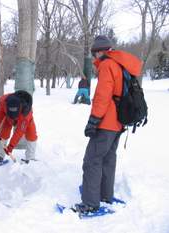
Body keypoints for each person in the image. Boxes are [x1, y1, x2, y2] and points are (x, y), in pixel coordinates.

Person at [74, 35, 142, 213]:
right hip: (120, 122)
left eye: (94, 54)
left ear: (100, 52)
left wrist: (93, 120)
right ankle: (105, 194)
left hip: (107, 122)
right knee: (108, 159)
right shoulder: (120, 64)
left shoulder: (107, 65)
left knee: (92, 160)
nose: (94, 58)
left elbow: (103, 96)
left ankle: (90, 203)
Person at [0, 90, 37, 164]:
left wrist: (10, 147)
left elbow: (19, 132)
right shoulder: (4, 102)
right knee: (3, 133)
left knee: (31, 134)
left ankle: (30, 158)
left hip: (23, 119)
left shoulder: (26, 114)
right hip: (8, 118)